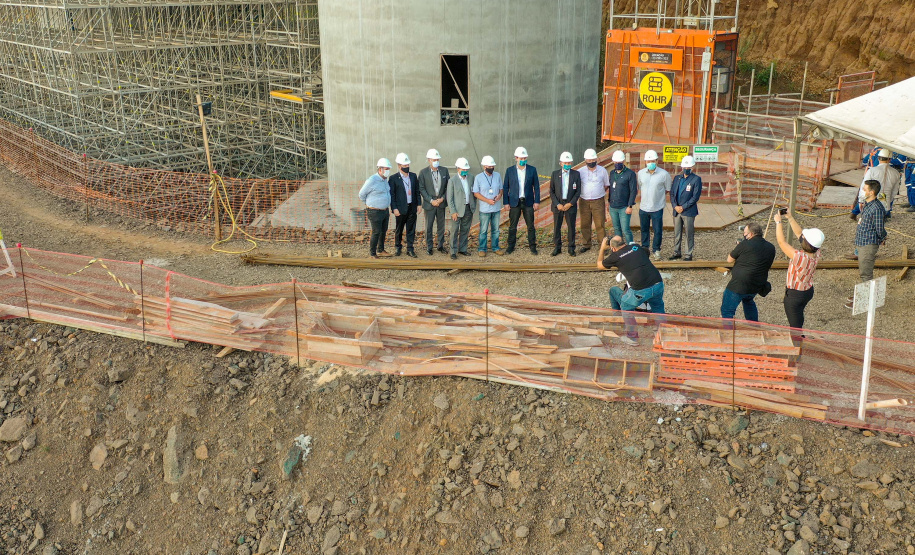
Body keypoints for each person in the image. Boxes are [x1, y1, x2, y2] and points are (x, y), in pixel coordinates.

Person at [597, 235, 665, 346]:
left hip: (641, 290)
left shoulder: (615, 256)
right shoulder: (636, 247)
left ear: (613, 248)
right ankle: (663, 334)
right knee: (658, 307)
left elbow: (599, 265)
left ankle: (633, 338)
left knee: (626, 306)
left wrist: (602, 249)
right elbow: (644, 252)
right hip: (658, 283)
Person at [774, 211, 825, 330]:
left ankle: (798, 344)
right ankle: (799, 333)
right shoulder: (816, 252)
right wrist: (790, 217)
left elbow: (781, 242)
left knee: (795, 326)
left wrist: (778, 222)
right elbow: (799, 234)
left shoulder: (799, 257)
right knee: (798, 315)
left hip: (795, 295)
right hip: (807, 290)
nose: (801, 236)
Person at [721, 221, 776, 322]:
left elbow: (729, 259)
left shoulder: (744, 244)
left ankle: (728, 333)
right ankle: (753, 328)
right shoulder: (771, 247)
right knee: (748, 301)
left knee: (727, 310)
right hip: (757, 284)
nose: (744, 235)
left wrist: (739, 246)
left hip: (739, 284)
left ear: (751, 234)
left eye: (745, 233)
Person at [846, 179, 887, 308]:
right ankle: (865, 295)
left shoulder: (877, 208)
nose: (862, 191)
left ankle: (866, 300)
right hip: (862, 242)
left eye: (865, 189)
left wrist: (882, 238)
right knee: (864, 270)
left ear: (872, 192)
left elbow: (880, 229)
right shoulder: (868, 204)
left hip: (868, 244)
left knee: (866, 272)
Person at [502, 146, 540, 255]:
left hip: (528, 202)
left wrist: (536, 201)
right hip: (514, 202)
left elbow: (536, 187)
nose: (523, 160)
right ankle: (510, 246)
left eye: (524, 158)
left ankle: (532, 246)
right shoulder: (510, 171)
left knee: (531, 226)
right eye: (521, 158)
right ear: (516, 158)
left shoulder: (532, 170)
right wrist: (506, 202)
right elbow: (506, 187)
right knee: (513, 226)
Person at [637, 149, 672, 260]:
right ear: (645, 162)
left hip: (657, 207)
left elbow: (667, 189)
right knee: (644, 229)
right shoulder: (641, 173)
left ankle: (656, 250)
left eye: (652, 160)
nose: (650, 163)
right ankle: (644, 249)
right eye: (648, 161)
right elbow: (639, 186)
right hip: (643, 207)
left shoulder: (664, 174)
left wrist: (658, 197)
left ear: (657, 160)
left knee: (657, 230)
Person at [358, 158, 393, 259]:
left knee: (383, 231)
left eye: (389, 169)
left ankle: (380, 250)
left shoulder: (385, 180)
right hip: (374, 211)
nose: (388, 171)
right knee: (376, 231)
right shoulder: (372, 180)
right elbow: (361, 194)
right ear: (380, 169)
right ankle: (372, 253)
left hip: (385, 211)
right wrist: (369, 204)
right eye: (386, 169)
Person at [669, 155, 702, 261]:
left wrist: (683, 207)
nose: (686, 169)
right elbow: (672, 193)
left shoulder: (696, 179)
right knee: (677, 232)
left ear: (692, 167)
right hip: (677, 210)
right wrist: (675, 206)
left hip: (688, 211)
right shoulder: (677, 178)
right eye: (685, 168)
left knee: (689, 233)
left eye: (688, 168)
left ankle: (688, 254)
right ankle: (676, 252)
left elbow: (695, 197)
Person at [851, 149, 901, 220]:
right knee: (882, 209)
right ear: (890, 159)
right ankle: (883, 216)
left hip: (873, 195)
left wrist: (861, 200)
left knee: (866, 201)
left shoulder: (872, 171)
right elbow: (895, 190)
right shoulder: (896, 173)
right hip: (885, 198)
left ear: (878, 158)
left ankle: (854, 213)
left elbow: (864, 187)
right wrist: (890, 200)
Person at [577, 148, 610, 254]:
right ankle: (586, 244)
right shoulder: (580, 172)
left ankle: (603, 245)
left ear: (596, 159)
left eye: (593, 159)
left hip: (598, 201)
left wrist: (597, 193)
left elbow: (606, 185)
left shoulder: (602, 170)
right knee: (585, 224)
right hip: (584, 201)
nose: (591, 162)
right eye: (589, 160)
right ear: (585, 160)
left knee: (600, 224)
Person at [417, 148, 450, 255]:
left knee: (441, 226)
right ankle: (429, 247)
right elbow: (421, 188)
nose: (436, 161)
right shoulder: (423, 172)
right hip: (429, 204)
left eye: (437, 159)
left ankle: (440, 246)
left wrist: (442, 199)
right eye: (434, 159)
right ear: (429, 160)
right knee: (429, 226)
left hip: (441, 203)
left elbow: (448, 187)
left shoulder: (444, 171)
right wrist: (431, 200)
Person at [549, 151, 581, 256]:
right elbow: (551, 191)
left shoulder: (576, 174)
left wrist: (570, 203)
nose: (567, 165)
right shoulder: (555, 174)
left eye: (569, 163)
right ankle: (557, 247)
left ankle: (571, 248)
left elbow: (578, 191)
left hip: (570, 205)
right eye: (565, 163)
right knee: (557, 227)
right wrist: (557, 204)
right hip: (558, 204)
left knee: (571, 227)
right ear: (561, 163)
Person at [389, 153, 420, 257]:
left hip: (412, 207)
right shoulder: (393, 178)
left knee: (411, 229)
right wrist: (394, 208)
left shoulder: (413, 176)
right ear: (399, 166)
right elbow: (392, 195)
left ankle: (410, 249)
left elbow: (417, 191)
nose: (407, 167)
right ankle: (398, 247)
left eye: (408, 165)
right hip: (400, 208)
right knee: (399, 229)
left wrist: (419, 204)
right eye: (404, 165)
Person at [473, 155, 503, 257]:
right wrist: (487, 200)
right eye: (489, 166)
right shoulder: (478, 177)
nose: (491, 168)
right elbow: (476, 193)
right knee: (483, 230)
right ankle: (482, 248)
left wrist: (499, 195)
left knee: (496, 230)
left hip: (496, 208)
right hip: (485, 209)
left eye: (492, 166)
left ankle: (495, 247)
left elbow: (501, 189)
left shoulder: (497, 175)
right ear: (484, 166)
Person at [447, 157, 476, 260]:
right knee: (454, 231)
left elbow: (474, 192)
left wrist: (473, 206)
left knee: (465, 230)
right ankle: (453, 251)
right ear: (458, 169)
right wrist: (453, 211)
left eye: (466, 169)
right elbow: (449, 198)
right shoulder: (452, 181)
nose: (465, 171)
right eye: (463, 169)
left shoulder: (471, 178)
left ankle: (463, 249)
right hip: (457, 211)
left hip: (468, 208)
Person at [608, 150, 638, 244]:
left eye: (620, 162)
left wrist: (630, 206)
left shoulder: (630, 174)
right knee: (617, 229)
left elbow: (633, 190)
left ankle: (631, 248)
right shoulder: (612, 173)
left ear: (623, 161)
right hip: (613, 206)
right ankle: (619, 248)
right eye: (616, 162)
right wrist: (609, 202)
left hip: (624, 207)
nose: (618, 164)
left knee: (626, 230)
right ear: (613, 162)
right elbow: (610, 188)